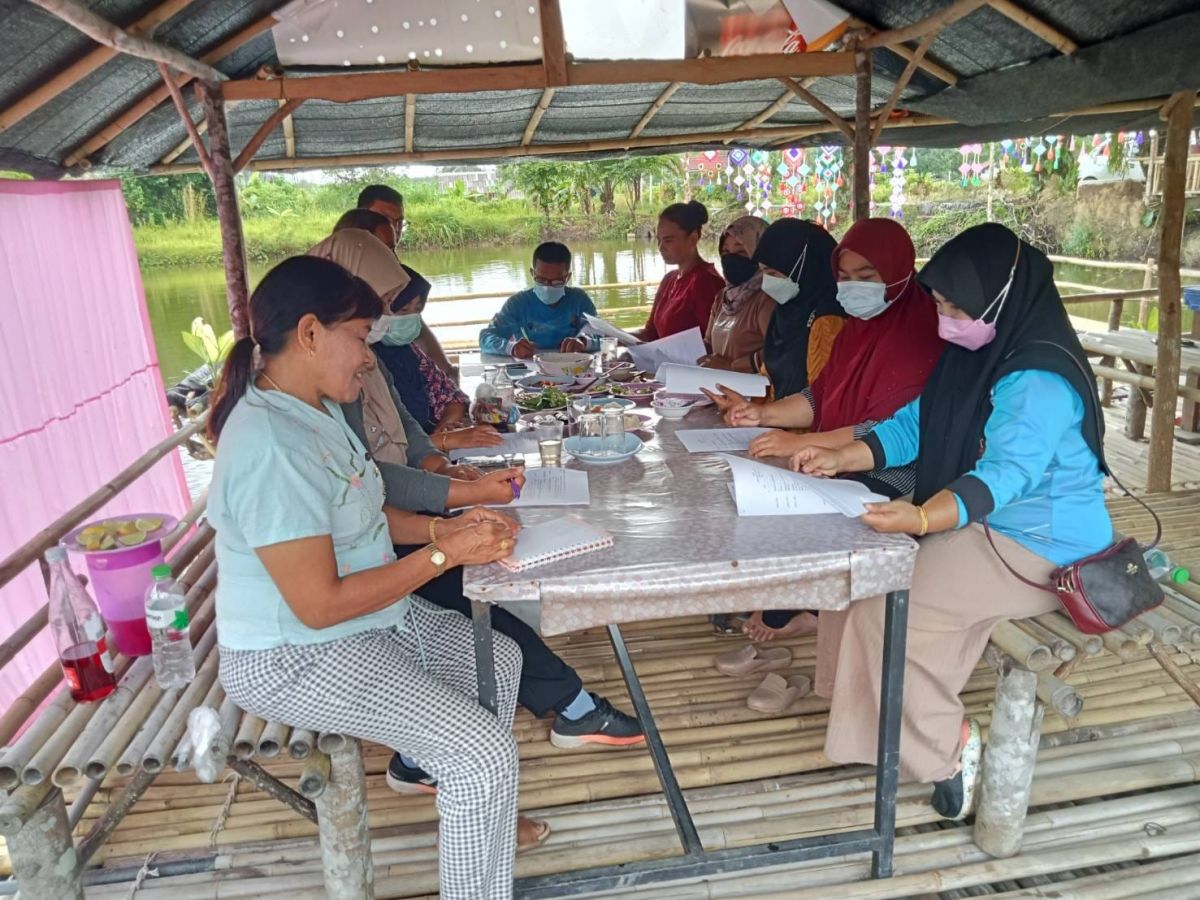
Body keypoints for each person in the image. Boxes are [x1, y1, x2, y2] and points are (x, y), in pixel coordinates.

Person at [208, 256, 548, 899]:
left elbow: (364, 509)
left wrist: (445, 531)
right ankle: (475, 797)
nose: (369, 358)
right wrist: (445, 556)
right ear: (310, 333)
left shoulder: (313, 410)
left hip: (367, 621)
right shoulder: (270, 444)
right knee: (483, 753)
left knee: (499, 660)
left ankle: (476, 806)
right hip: (295, 654)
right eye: (361, 337)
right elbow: (318, 605)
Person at [792, 224, 1113, 821]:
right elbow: (914, 424)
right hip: (987, 523)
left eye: (955, 308)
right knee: (859, 569)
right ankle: (875, 723)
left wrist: (921, 516)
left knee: (887, 608)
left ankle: (945, 750)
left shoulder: (1037, 378)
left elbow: (1006, 475)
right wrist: (842, 457)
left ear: (1000, 298)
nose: (944, 320)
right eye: (939, 305)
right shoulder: (977, 355)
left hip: (1043, 544)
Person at [316, 231, 645, 781]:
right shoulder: (307, 399)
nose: (381, 328)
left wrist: (442, 469)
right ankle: (563, 708)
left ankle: (489, 731)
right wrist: (457, 510)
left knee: (491, 557)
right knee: (474, 588)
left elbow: (405, 431)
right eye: (380, 307)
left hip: (392, 520)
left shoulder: (360, 361)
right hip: (368, 550)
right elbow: (366, 483)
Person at [309, 228, 504, 465]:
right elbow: (369, 464)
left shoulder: (392, 356)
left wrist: (445, 470)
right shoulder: (327, 383)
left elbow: (407, 426)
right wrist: (443, 446)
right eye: (388, 304)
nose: (385, 314)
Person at [357, 184, 458, 382]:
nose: (393, 229)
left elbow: (415, 324)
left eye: (399, 222)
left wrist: (447, 372)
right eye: (384, 220)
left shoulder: (393, 263)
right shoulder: (347, 266)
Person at [479, 241, 600, 358]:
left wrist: (584, 342)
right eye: (541, 280)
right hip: (530, 366)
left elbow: (602, 335)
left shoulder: (579, 300)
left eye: (556, 281)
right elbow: (486, 337)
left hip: (571, 366)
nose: (547, 287)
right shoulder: (518, 303)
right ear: (532, 273)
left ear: (568, 277)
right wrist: (512, 347)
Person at [635, 200, 725, 342]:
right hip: (663, 355)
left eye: (668, 240)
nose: (660, 247)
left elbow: (714, 342)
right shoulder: (669, 280)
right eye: (659, 240)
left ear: (693, 238)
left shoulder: (707, 282)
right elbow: (651, 333)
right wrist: (614, 336)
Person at [699, 216, 773, 373]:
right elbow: (709, 343)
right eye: (725, 252)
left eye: (741, 251)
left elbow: (779, 352)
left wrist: (732, 366)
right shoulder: (723, 297)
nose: (731, 259)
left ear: (759, 253)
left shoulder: (768, 298)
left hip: (753, 387)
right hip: (717, 384)